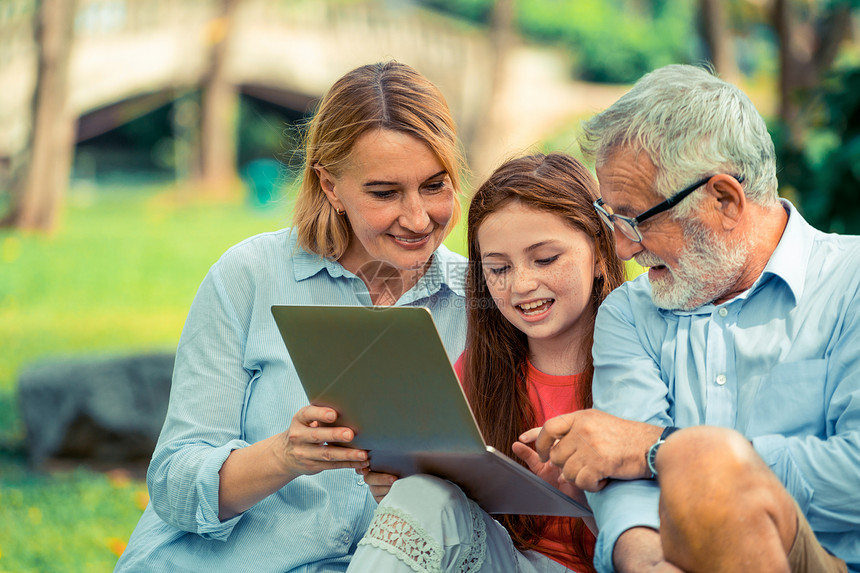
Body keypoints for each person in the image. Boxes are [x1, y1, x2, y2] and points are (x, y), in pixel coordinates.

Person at [114, 61, 469, 572]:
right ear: (329, 186)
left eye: (435, 186)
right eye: (384, 193)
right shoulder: (249, 276)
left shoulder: (480, 298)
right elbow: (174, 483)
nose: (417, 218)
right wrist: (285, 455)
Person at [530, 64, 860, 573]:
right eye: (610, 216)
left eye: (636, 218)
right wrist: (646, 564)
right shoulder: (630, 314)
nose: (621, 246)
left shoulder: (851, 282)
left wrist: (662, 451)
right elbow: (623, 488)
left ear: (724, 200)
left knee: (704, 459)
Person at [346, 152, 627, 573]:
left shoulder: (639, 366)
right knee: (420, 495)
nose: (521, 284)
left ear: (602, 253)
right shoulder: (480, 370)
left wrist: (583, 502)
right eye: (498, 268)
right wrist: (400, 481)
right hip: (505, 560)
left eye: (546, 259)